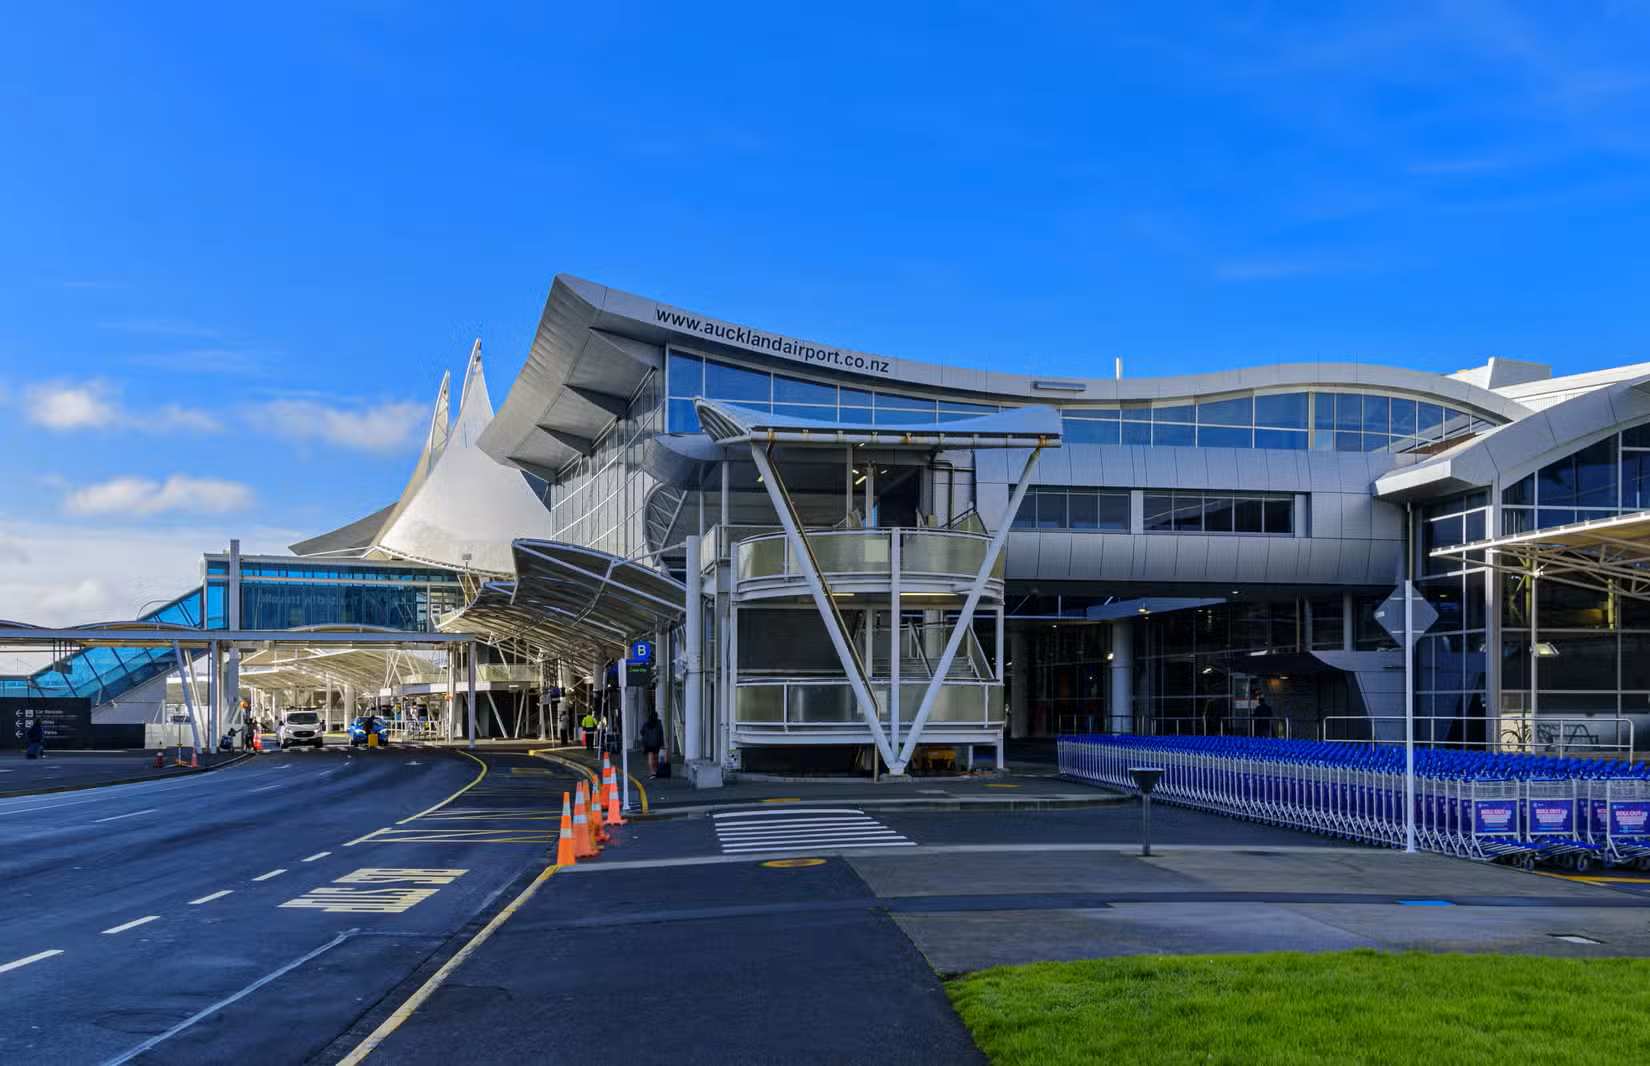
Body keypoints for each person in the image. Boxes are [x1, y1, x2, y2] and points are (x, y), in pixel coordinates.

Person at [640, 710, 664, 777]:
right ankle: (655, 770)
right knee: (656, 757)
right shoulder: (659, 723)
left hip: (648, 744)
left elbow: (641, 732)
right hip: (656, 743)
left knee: (650, 757)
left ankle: (652, 771)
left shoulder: (646, 723)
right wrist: (662, 744)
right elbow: (661, 733)